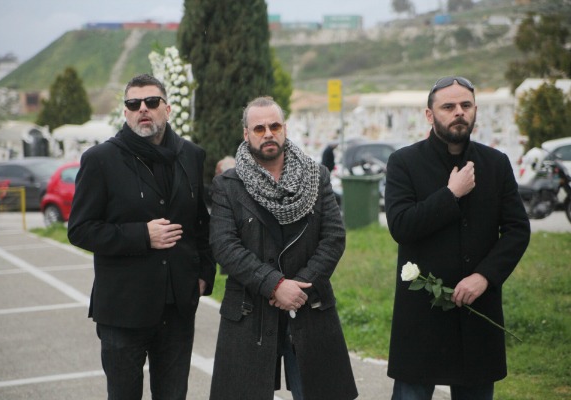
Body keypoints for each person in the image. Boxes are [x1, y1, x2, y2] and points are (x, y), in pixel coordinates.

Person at [67, 74, 215, 400]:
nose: (142, 109)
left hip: (177, 309)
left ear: (168, 109)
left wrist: (204, 274)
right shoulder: (101, 159)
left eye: (151, 102)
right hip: (123, 309)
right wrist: (142, 235)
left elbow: (200, 224)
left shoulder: (191, 155)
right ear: (126, 112)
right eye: (133, 104)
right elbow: (80, 229)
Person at [384, 76, 531, 400]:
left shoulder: (495, 163)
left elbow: (518, 229)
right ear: (429, 114)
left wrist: (484, 277)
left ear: (475, 110)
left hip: (477, 313)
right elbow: (401, 226)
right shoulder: (404, 163)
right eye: (448, 107)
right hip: (422, 319)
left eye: (465, 105)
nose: (458, 112)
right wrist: (451, 194)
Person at [208, 96, 358, 400]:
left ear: (285, 129)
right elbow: (224, 246)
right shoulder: (228, 185)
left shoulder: (316, 176)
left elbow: (333, 237)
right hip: (249, 311)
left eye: (274, 126)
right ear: (246, 134)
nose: (268, 133)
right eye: (259, 128)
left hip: (308, 304)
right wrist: (275, 285)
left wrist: (298, 287)